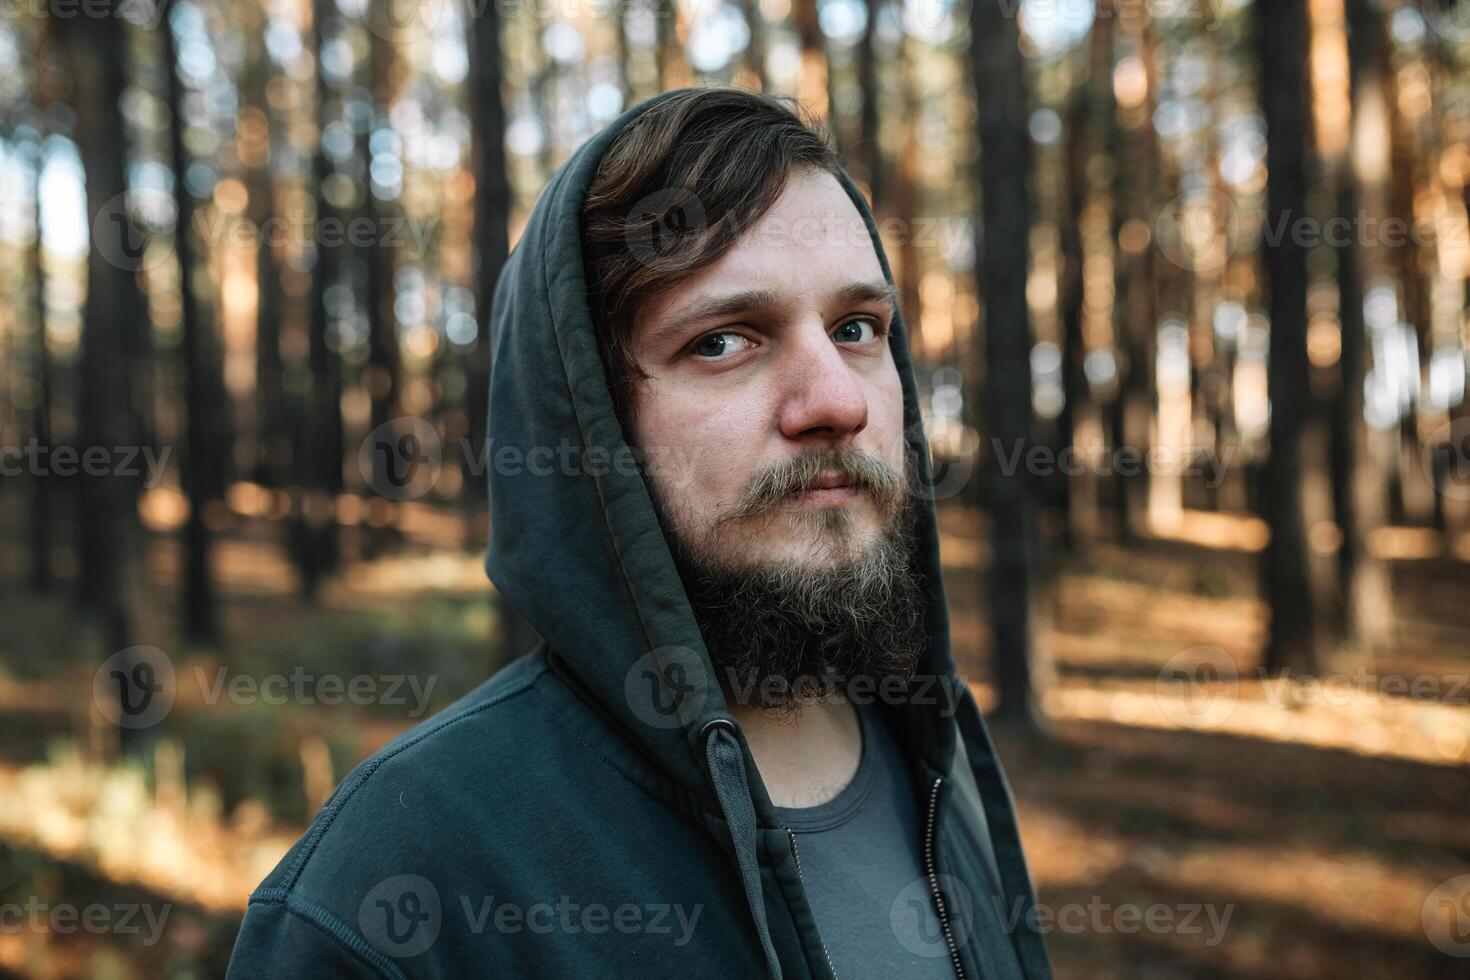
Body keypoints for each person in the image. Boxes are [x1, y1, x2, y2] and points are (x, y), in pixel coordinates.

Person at [225, 86, 1051, 980]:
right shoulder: (397, 881)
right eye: (725, 341)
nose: (838, 401)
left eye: (857, 329)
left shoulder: (936, 757)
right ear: (592, 432)